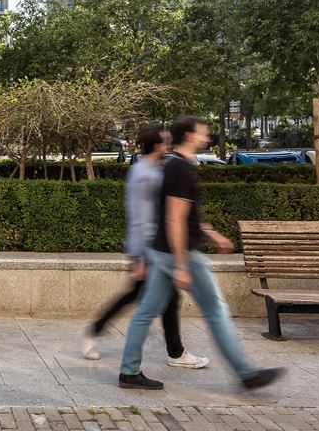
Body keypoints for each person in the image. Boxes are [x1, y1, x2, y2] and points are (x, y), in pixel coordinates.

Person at [119, 116, 282, 393]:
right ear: (190, 136)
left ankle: (129, 371)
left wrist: (212, 234)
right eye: (203, 132)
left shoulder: (171, 165)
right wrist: (182, 265)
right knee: (216, 311)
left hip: (162, 251)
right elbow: (175, 219)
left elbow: (184, 215)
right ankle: (245, 373)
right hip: (179, 254)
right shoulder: (180, 169)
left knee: (146, 311)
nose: (207, 137)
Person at [81, 123, 204, 368]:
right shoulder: (145, 174)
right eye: (166, 141)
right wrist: (140, 256)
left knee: (160, 299)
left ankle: (174, 351)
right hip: (148, 249)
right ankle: (174, 352)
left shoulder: (148, 169)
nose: (169, 145)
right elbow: (140, 217)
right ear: (157, 145)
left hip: (152, 248)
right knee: (149, 298)